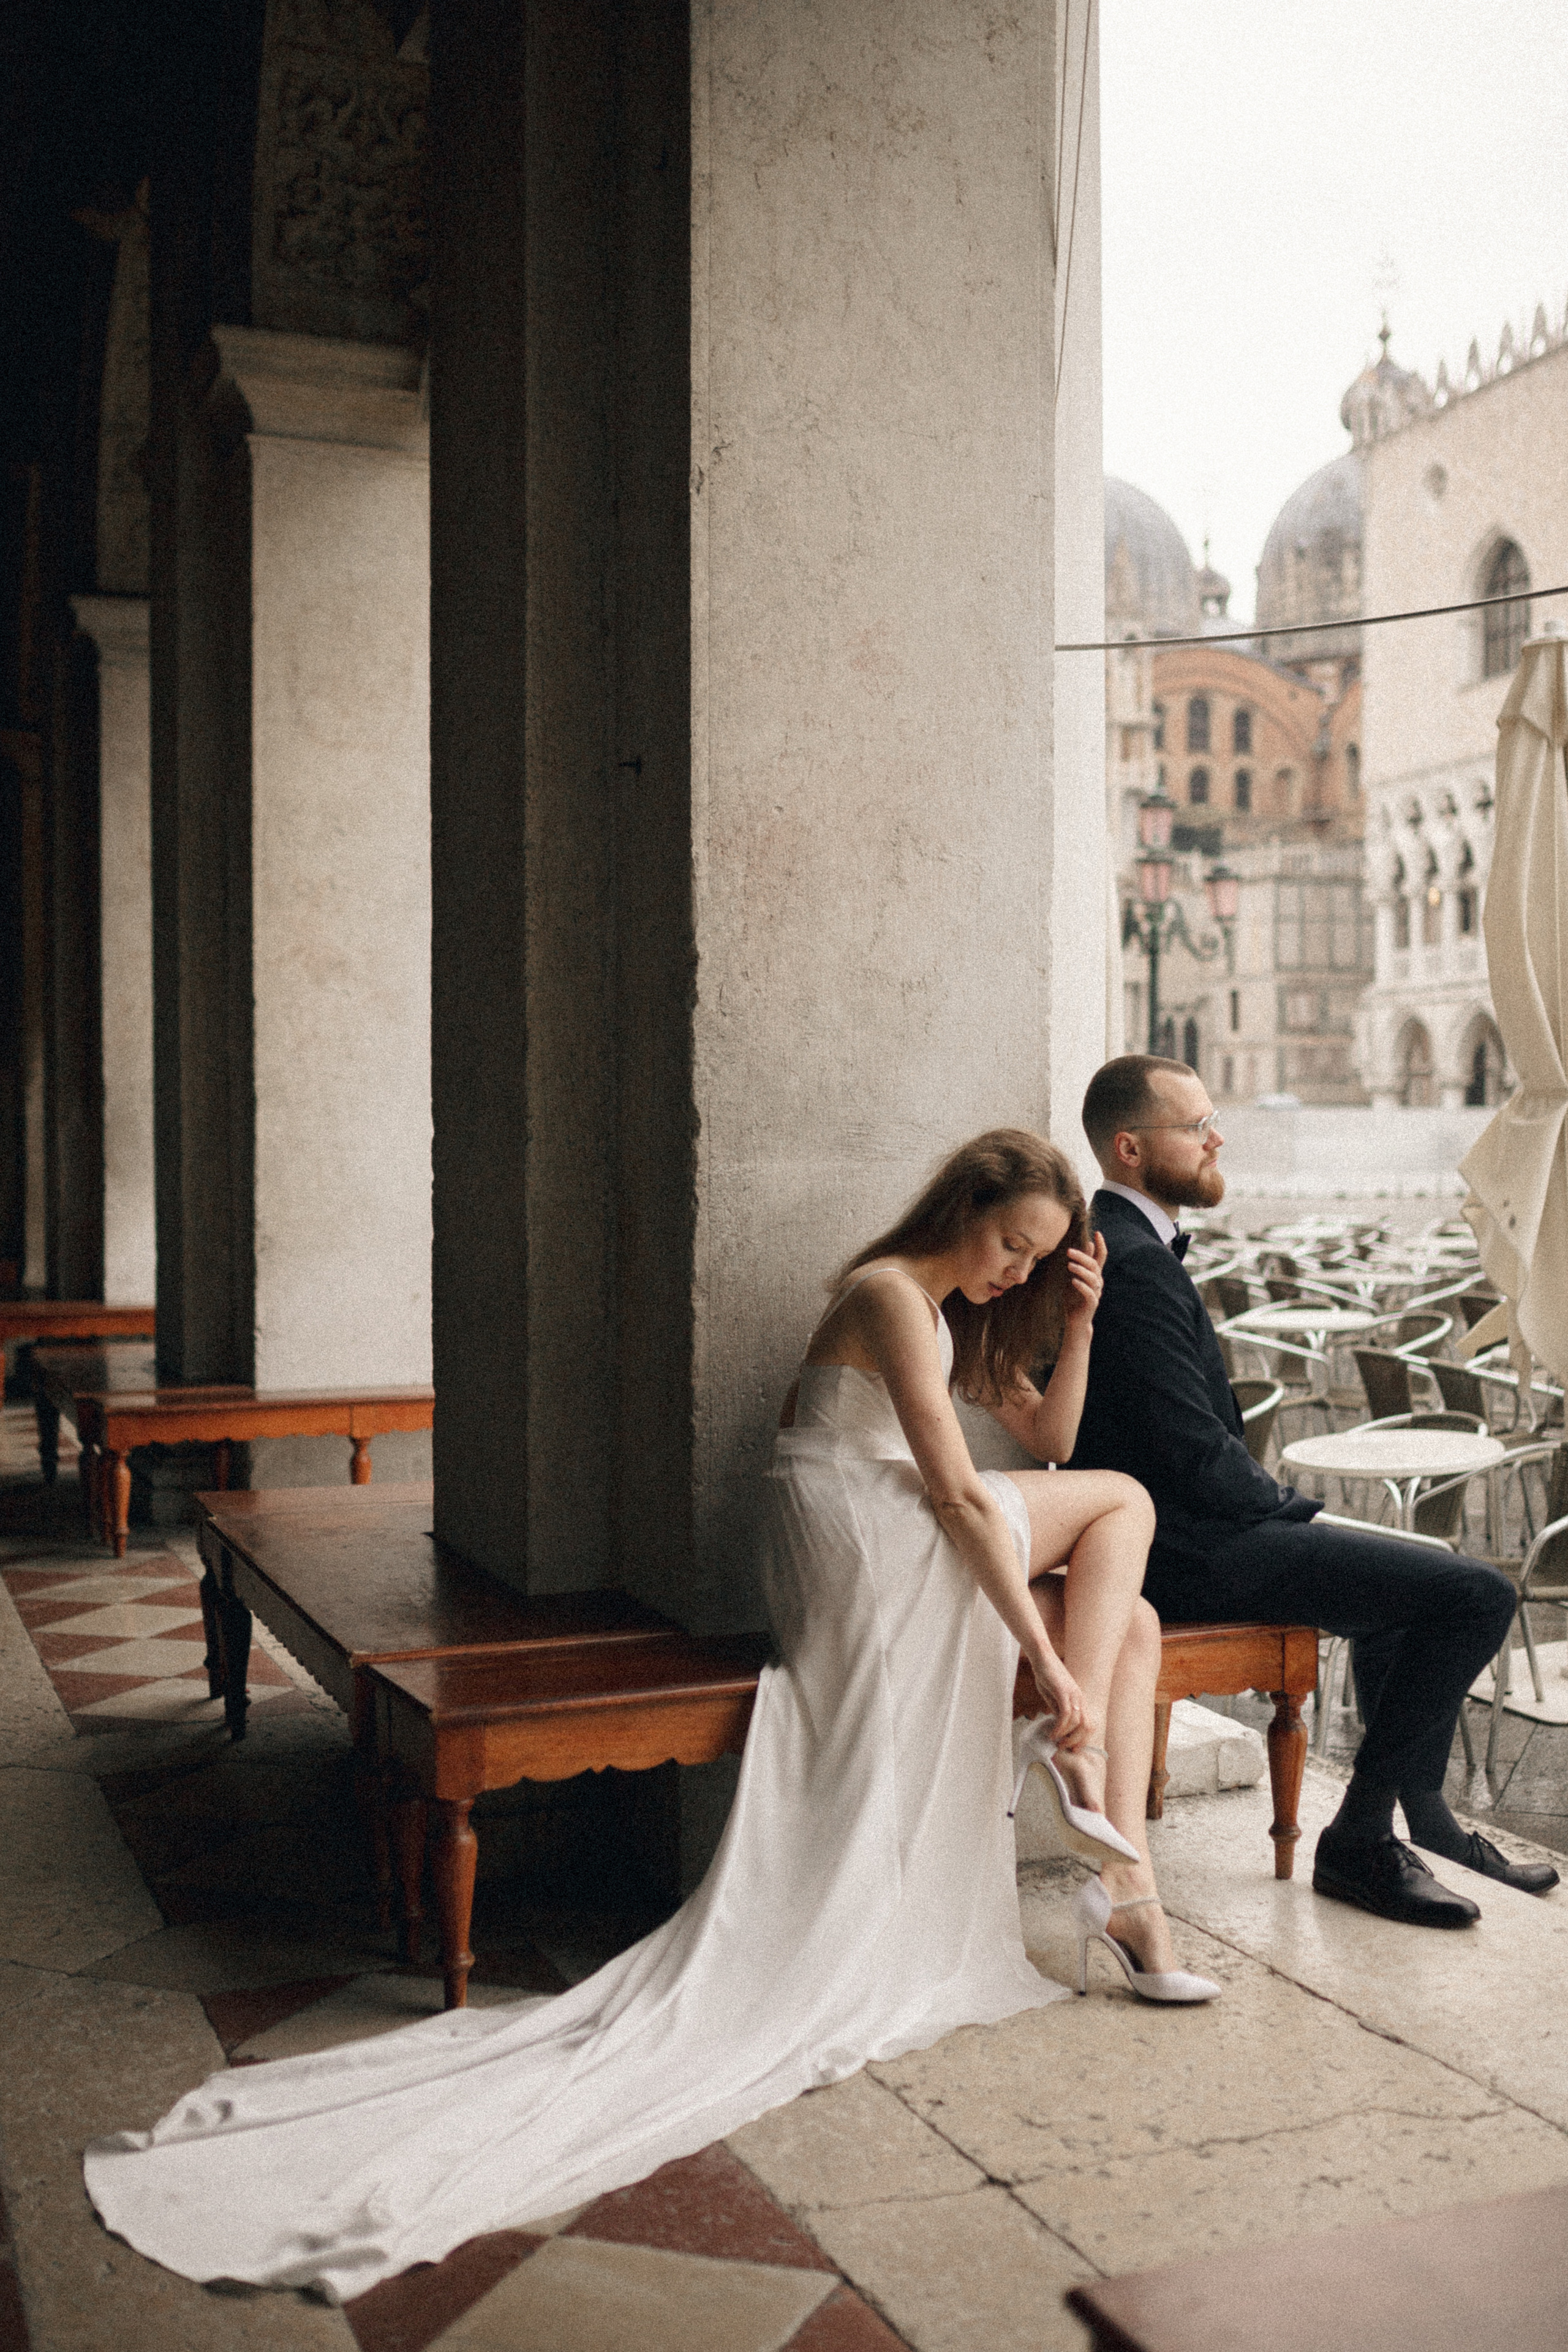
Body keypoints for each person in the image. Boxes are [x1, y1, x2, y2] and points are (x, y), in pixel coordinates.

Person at [83, 1128, 1212, 2305]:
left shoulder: (942, 1311)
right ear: (963, 1207)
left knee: (1127, 1626)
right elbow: (956, 1492)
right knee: (1123, 1507)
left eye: (1037, 1260)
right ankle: (1085, 1786)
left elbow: (1050, 1441)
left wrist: (1075, 1323)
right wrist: (1041, 1658)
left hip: (872, 1537)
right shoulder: (887, 1294)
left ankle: (1116, 1866)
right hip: (870, 1545)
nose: (1017, 1274)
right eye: (1010, 1245)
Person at [1071, 1053, 1551, 1928]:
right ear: (1130, 1149)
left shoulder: (1127, 1240)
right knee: (1478, 1594)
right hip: (1188, 1552)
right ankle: (1361, 1840)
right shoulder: (1133, 1262)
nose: (1218, 1137)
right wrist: (1297, 1514)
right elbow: (1189, 1451)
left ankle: (1428, 1822)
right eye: (1196, 1126)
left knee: (1411, 1585)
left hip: (1182, 1533)